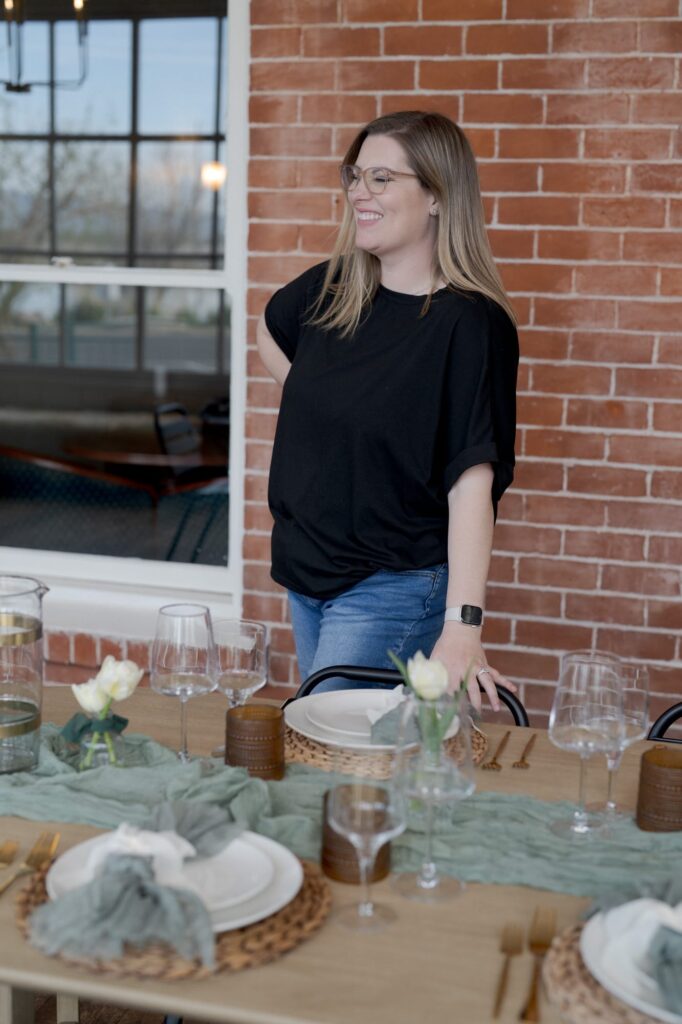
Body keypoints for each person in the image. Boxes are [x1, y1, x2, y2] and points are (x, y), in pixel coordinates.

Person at [256, 110, 519, 711]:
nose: (358, 193)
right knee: (352, 761)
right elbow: (267, 328)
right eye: (355, 175)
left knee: (320, 745)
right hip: (306, 573)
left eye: (381, 178)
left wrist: (464, 626)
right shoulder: (335, 288)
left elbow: (473, 482)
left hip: (393, 585)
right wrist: (321, 398)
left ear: (436, 195)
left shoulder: (469, 323)